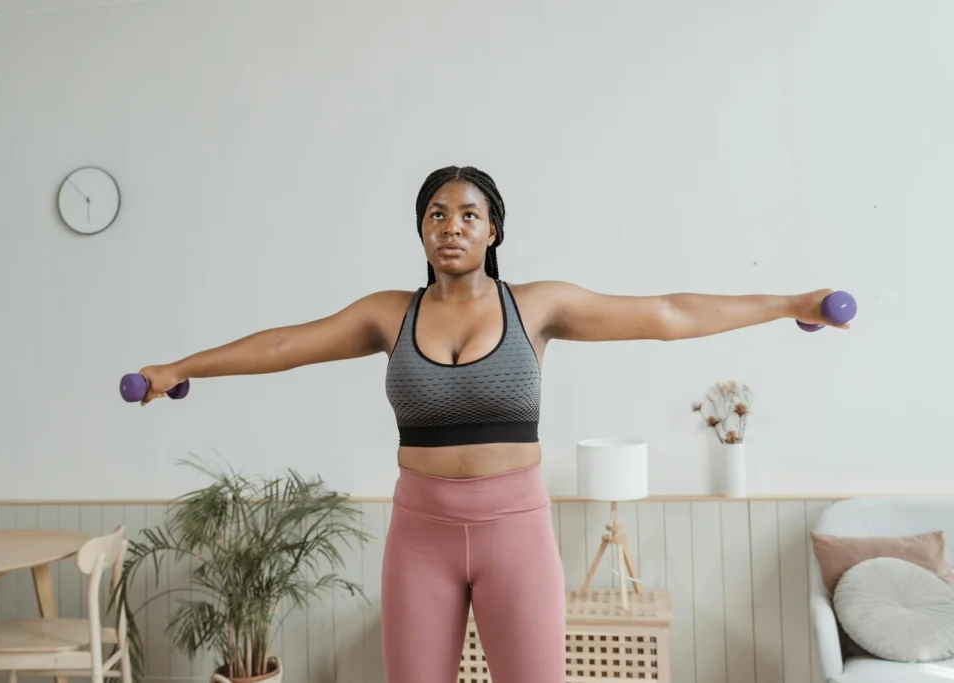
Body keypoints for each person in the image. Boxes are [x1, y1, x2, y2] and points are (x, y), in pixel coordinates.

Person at [134, 165, 849, 683]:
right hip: (421, 536)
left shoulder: (535, 306)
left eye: (468, 213)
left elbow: (665, 313)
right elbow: (285, 345)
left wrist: (791, 302)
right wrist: (180, 366)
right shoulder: (390, 313)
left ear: (493, 229)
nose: (452, 226)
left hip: (516, 532)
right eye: (436, 214)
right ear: (421, 232)